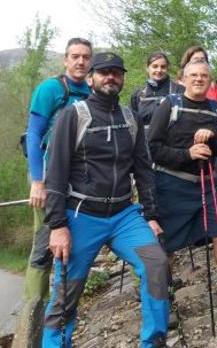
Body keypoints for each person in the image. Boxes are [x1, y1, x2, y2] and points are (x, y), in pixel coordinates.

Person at [43, 52, 170, 347]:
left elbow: (144, 171)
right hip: (81, 214)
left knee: (156, 265)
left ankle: (153, 342)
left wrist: (151, 216)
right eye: (103, 72)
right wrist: (57, 225)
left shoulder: (131, 118)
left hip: (125, 215)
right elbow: (56, 173)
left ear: (123, 78)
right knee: (66, 291)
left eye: (116, 72)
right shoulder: (73, 116)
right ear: (91, 78)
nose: (110, 77)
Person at [148, 59, 217, 318]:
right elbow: (153, 148)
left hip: (207, 183)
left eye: (204, 75)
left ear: (210, 80)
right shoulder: (169, 105)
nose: (199, 79)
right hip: (171, 182)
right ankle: (164, 299)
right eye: (193, 75)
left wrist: (213, 137)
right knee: (166, 242)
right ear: (182, 79)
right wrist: (187, 154)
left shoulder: (215, 108)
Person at [15, 38, 92, 347]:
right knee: (44, 247)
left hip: (78, 184)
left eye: (86, 57)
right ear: (65, 59)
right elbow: (33, 133)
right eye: (75, 56)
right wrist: (38, 180)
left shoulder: (91, 93)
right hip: (48, 180)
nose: (81, 62)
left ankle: (56, 318)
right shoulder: (50, 90)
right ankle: (31, 319)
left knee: (66, 248)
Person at [130, 52, 184, 132]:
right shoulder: (138, 94)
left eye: (163, 67)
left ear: (168, 68)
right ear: (147, 68)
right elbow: (132, 124)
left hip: (171, 142)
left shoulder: (179, 91)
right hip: (145, 142)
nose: (159, 70)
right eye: (155, 66)